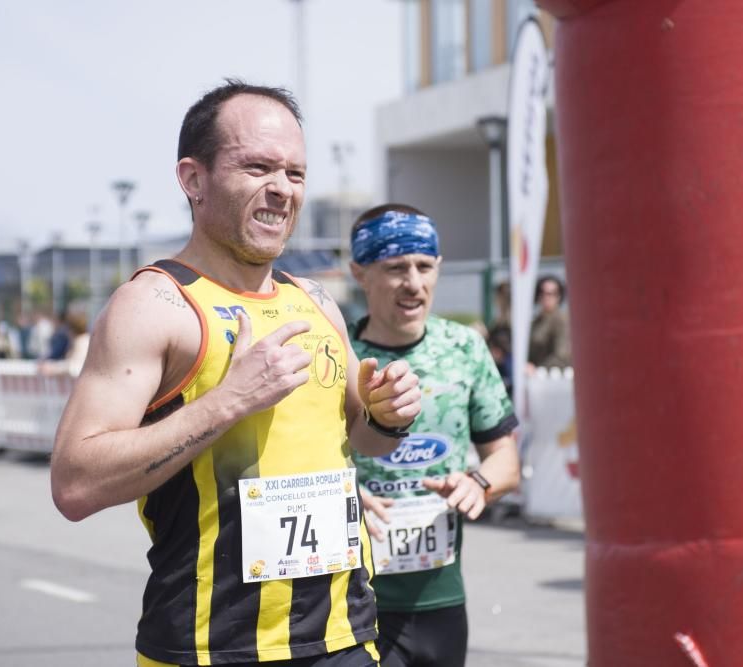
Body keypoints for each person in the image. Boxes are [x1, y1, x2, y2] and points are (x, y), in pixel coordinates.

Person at [50, 80, 422, 667]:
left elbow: (363, 438)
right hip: (211, 646)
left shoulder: (318, 304)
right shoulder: (155, 305)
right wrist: (227, 402)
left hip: (343, 637)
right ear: (193, 179)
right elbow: (74, 484)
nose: (281, 191)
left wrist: (387, 414)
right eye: (256, 168)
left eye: (295, 174)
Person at [347, 203, 521, 667]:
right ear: (359, 272)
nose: (414, 283)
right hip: (350, 600)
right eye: (396, 267)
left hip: (439, 596)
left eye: (425, 266)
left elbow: (505, 459)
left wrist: (479, 482)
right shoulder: (339, 352)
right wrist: (341, 493)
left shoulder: (463, 348)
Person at [528, 274, 572, 369]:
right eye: (542, 292)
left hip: (554, 376)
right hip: (532, 376)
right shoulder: (535, 322)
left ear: (559, 296)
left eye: (551, 293)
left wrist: (537, 368)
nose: (546, 297)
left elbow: (561, 355)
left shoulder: (562, 320)